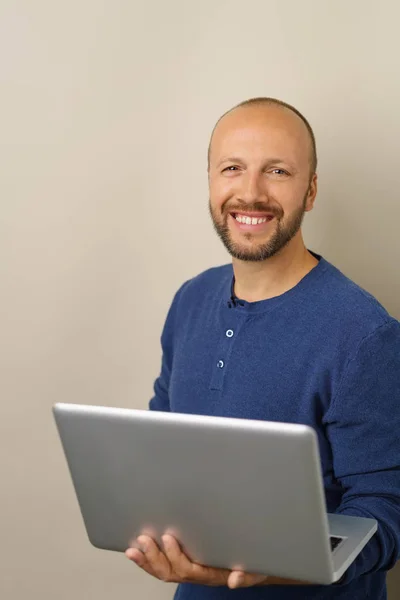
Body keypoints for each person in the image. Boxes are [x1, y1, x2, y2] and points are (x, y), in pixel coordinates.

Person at [125, 97, 400, 599]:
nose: (250, 194)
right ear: (210, 180)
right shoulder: (190, 299)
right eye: (233, 168)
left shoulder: (365, 334)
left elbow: (386, 513)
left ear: (311, 190)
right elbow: (162, 446)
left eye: (277, 171)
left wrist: (271, 569)